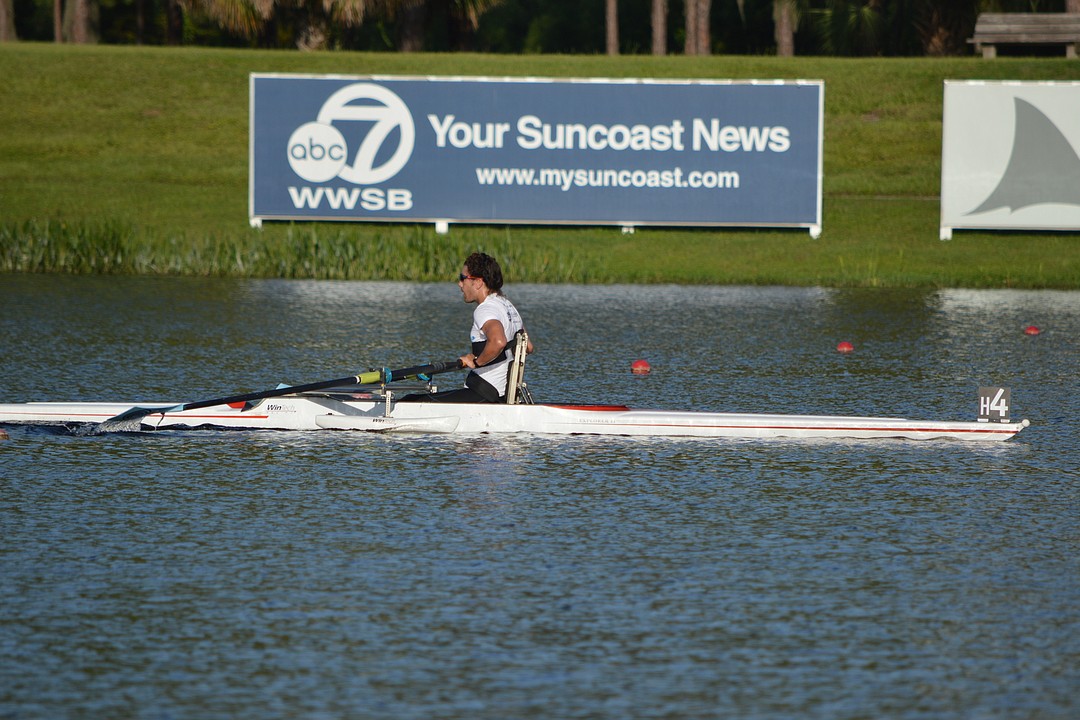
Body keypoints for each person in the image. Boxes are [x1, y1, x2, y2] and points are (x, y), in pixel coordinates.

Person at [405, 252, 534, 403]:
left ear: (478, 282)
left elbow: (498, 341)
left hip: (483, 393)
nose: (460, 284)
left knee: (410, 400)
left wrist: (477, 362)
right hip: (501, 395)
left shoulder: (485, 309)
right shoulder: (508, 306)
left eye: (462, 278)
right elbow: (528, 347)